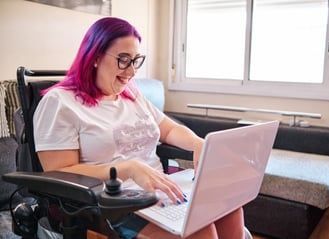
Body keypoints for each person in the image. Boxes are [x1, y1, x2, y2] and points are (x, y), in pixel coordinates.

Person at [33, 17, 245, 239]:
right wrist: (127, 168)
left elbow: (169, 129)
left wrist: (199, 143)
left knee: (230, 209)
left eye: (136, 60)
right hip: (109, 204)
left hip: (157, 194)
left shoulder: (131, 95)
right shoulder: (60, 102)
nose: (132, 72)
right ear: (95, 57)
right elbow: (59, 171)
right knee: (202, 232)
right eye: (123, 60)